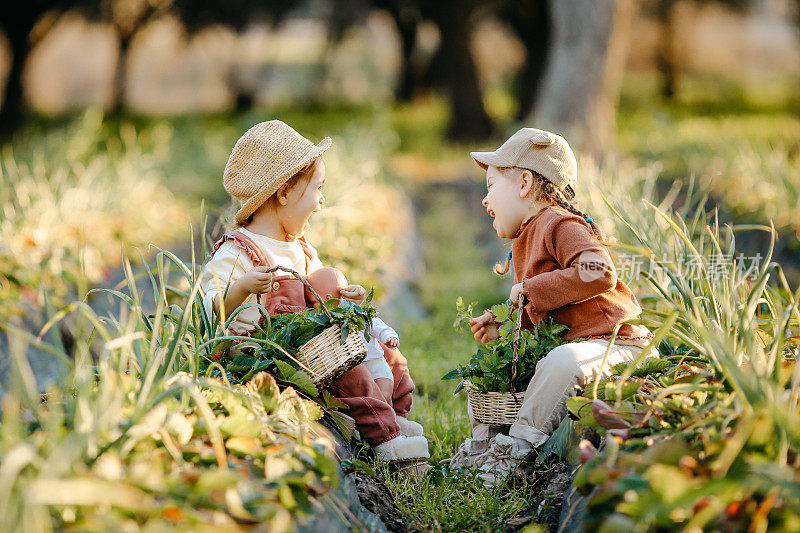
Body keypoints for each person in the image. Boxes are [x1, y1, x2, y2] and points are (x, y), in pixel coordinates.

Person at [201, 120, 429, 474]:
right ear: (284, 194)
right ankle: (387, 441)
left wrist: (343, 296)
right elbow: (208, 309)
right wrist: (243, 286)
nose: (321, 203)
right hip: (277, 362)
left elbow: (321, 299)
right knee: (347, 365)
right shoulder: (237, 253)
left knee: (387, 354)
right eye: (317, 190)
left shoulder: (302, 250)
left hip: (319, 357)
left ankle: (391, 417)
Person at [450, 127, 654, 487]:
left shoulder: (560, 223)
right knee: (488, 377)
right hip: (582, 348)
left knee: (560, 362)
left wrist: (529, 288)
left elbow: (599, 271)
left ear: (525, 183)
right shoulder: (527, 236)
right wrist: (508, 325)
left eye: (491, 186)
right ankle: (483, 444)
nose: (485, 200)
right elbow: (550, 313)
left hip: (614, 345)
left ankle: (515, 449)